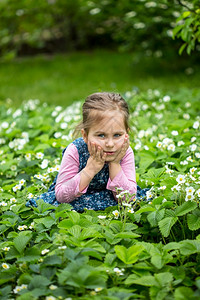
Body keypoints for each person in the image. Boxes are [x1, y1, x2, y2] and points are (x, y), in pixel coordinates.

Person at [27, 92, 147, 212]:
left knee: (138, 204)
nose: (110, 144)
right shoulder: (75, 151)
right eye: (101, 135)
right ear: (85, 135)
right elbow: (61, 196)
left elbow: (128, 199)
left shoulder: (124, 152)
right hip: (77, 199)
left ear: (126, 133)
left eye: (117, 135)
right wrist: (90, 169)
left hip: (110, 199)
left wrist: (115, 164)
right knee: (60, 209)